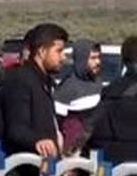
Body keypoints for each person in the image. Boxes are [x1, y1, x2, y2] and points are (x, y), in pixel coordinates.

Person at [0, 23, 68, 158]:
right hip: (26, 165)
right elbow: (16, 129)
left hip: (47, 165)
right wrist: (37, 142)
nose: (63, 57)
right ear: (42, 51)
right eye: (59, 51)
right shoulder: (20, 80)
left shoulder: (45, 82)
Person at [89, 36, 137, 164]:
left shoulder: (111, 92)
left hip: (113, 163)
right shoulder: (112, 92)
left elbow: (95, 131)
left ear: (124, 61)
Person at [55, 39, 104, 155]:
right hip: (73, 153)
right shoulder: (67, 88)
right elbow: (57, 124)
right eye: (93, 58)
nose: (98, 62)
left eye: (99, 57)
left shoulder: (98, 83)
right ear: (82, 59)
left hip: (96, 149)